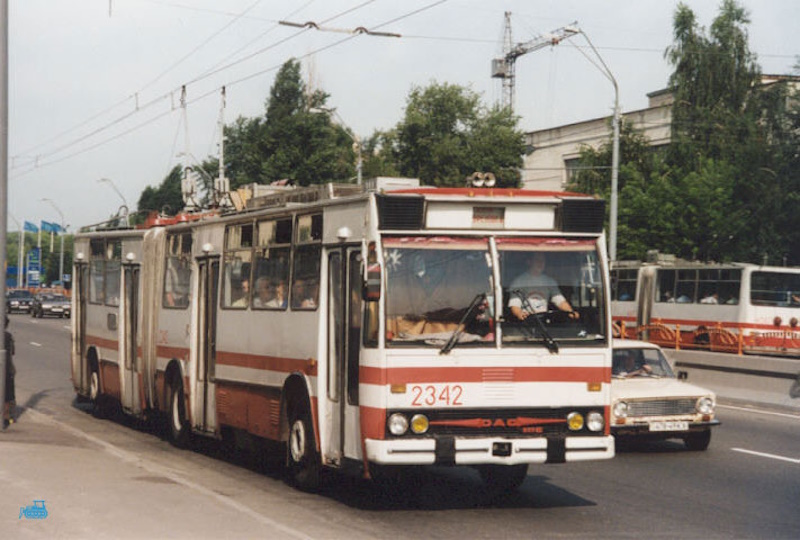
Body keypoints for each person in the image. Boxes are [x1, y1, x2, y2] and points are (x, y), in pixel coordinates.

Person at [508, 252, 578, 321]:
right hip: (527, 324)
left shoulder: (549, 281)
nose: (541, 263)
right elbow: (515, 304)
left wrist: (570, 311)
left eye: (543, 261)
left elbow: (559, 300)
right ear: (529, 262)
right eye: (537, 260)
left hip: (543, 323)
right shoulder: (519, 282)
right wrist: (519, 313)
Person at [4, 317, 16, 429]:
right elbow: (12, 352)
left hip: (6, 369)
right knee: (7, 395)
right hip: (7, 370)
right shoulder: (8, 336)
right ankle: (7, 417)